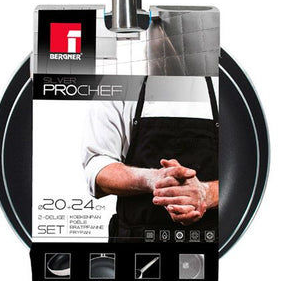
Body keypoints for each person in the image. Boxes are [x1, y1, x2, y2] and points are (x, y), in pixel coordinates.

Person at [82, 76, 219, 241]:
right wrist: (153, 179)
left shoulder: (227, 85)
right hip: (136, 241)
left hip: (215, 239)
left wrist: (207, 193)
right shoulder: (118, 81)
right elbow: (97, 167)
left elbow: (245, 175)